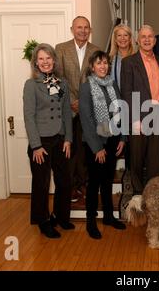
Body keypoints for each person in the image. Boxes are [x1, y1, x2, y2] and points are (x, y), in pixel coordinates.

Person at [23, 43, 74, 239]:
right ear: (36, 62)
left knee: (64, 181)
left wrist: (68, 138)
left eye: (48, 58)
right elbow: (28, 116)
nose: (45, 62)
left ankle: (60, 217)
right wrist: (35, 146)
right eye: (41, 59)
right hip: (41, 143)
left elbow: (67, 113)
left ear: (54, 60)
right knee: (42, 184)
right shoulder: (31, 85)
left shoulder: (62, 83)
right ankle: (43, 221)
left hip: (60, 139)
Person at [79, 50, 126, 239]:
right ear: (92, 66)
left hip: (113, 139)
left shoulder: (113, 84)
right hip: (95, 143)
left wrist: (123, 138)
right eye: (99, 63)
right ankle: (91, 220)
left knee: (107, 180)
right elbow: (86, 118)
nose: (103, 66)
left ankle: (108, 216)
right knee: (94, 183)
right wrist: (97, 147)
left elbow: (121, 111)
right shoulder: (86, 87)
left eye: (105, 63)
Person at [55, 16, 100, 203]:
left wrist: (84, 102)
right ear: (72, 29)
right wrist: (72, 101)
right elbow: (58, 78)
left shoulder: (96, 50)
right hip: (68, 108)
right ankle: (71, 186)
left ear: (90, 30)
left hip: (88, 109)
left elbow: (98, 78)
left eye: (86, 27)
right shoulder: (61, 49)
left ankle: (84, 183)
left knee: (86, 149)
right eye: (79, 27)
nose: (83, 30)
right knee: (70, 150)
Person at [120, 25, 159, 194]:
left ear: (155, 40)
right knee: (137, 159)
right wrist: (134, 119)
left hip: (158, 114)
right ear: (138, 41)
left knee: (155, 159)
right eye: (143, 37)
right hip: (138, 116)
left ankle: (153, 194)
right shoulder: (129, 62)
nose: (147, 40)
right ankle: (138, 194)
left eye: (150, 37)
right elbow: (126, 92)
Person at [109, 24, 134, 89]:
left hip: (134, 97)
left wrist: (135, 99)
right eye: (119, 35)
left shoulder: (137, 58)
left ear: (130, 38)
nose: (122, 38)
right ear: (115, 39)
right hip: (116, 97)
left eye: (125, 35)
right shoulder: (110, 60)